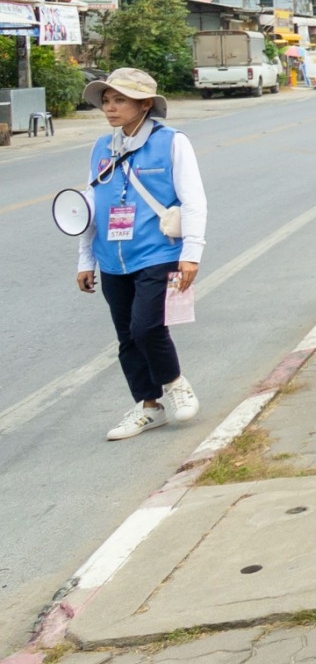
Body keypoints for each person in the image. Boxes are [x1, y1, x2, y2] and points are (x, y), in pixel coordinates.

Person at [74, 68, 207, 442]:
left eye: (119, 100)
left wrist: (192, 253)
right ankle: (149, 406)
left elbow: (193, 201)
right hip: (111, 256)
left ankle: (176, 382)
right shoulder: (102, 148)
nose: (110, 108)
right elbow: (91, 205)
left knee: (146, 327)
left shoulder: (172, 143)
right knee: (126, 336)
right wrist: (85, 259)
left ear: (145, 104)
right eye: (106, 101)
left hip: (158, 252)